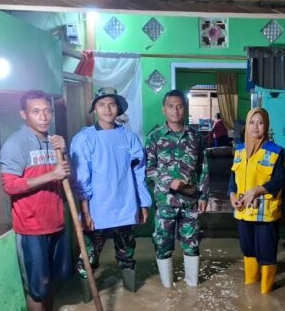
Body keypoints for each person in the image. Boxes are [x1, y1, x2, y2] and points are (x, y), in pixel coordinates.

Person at [0, 89, 71, 311]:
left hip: (57, 222)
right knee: (38, 286)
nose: (44, 117)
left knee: (55, 279)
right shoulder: (15, 144)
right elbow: (9, 186)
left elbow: (64, 176)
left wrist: (64, 153)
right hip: (31, 227)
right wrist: (52, 174)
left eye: (47, 111)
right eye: (36, 111)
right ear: (24, 114)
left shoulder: (53, 141)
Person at [70, 87, 151, 293]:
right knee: (89, 256)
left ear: (119, 109)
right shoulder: (84, 138)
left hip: (125, 206)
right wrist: (85, 212)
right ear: (95, 109)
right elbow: (81, 178)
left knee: (127, 254)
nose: (107, 109)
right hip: (96, 209)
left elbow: (138, 173)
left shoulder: (129, 137)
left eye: (112, 104)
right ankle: (88, 297)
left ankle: (131, 294)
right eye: (102, 104)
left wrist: (143, 204)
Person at [146, 89, 209, 288]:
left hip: (190, 201)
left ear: (185, 108)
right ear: (163, 110)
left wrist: (204, 196)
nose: (175, 110)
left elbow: (203, 167)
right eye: (170, 106)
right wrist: (167, 181)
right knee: (163, 244)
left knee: (192, 243)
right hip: (165, 202)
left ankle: (192, 288)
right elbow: (148, 169)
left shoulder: (196, 136)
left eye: (180, 106)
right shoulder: (155, 137)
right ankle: (167, 288)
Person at [229, 108, 285, 294]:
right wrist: (232, 196)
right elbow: (233, 178)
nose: (255, 127)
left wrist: (255, 191)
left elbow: (278, 181)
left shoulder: (276, 151)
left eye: (260, 122)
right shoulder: (238, 150)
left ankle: (265, 293)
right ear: (246, 126)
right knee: (248, 250)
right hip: (243, 212)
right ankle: (251, 290)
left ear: (266, 126)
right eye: (252, 122)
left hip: (265, 214)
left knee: (266, 253)